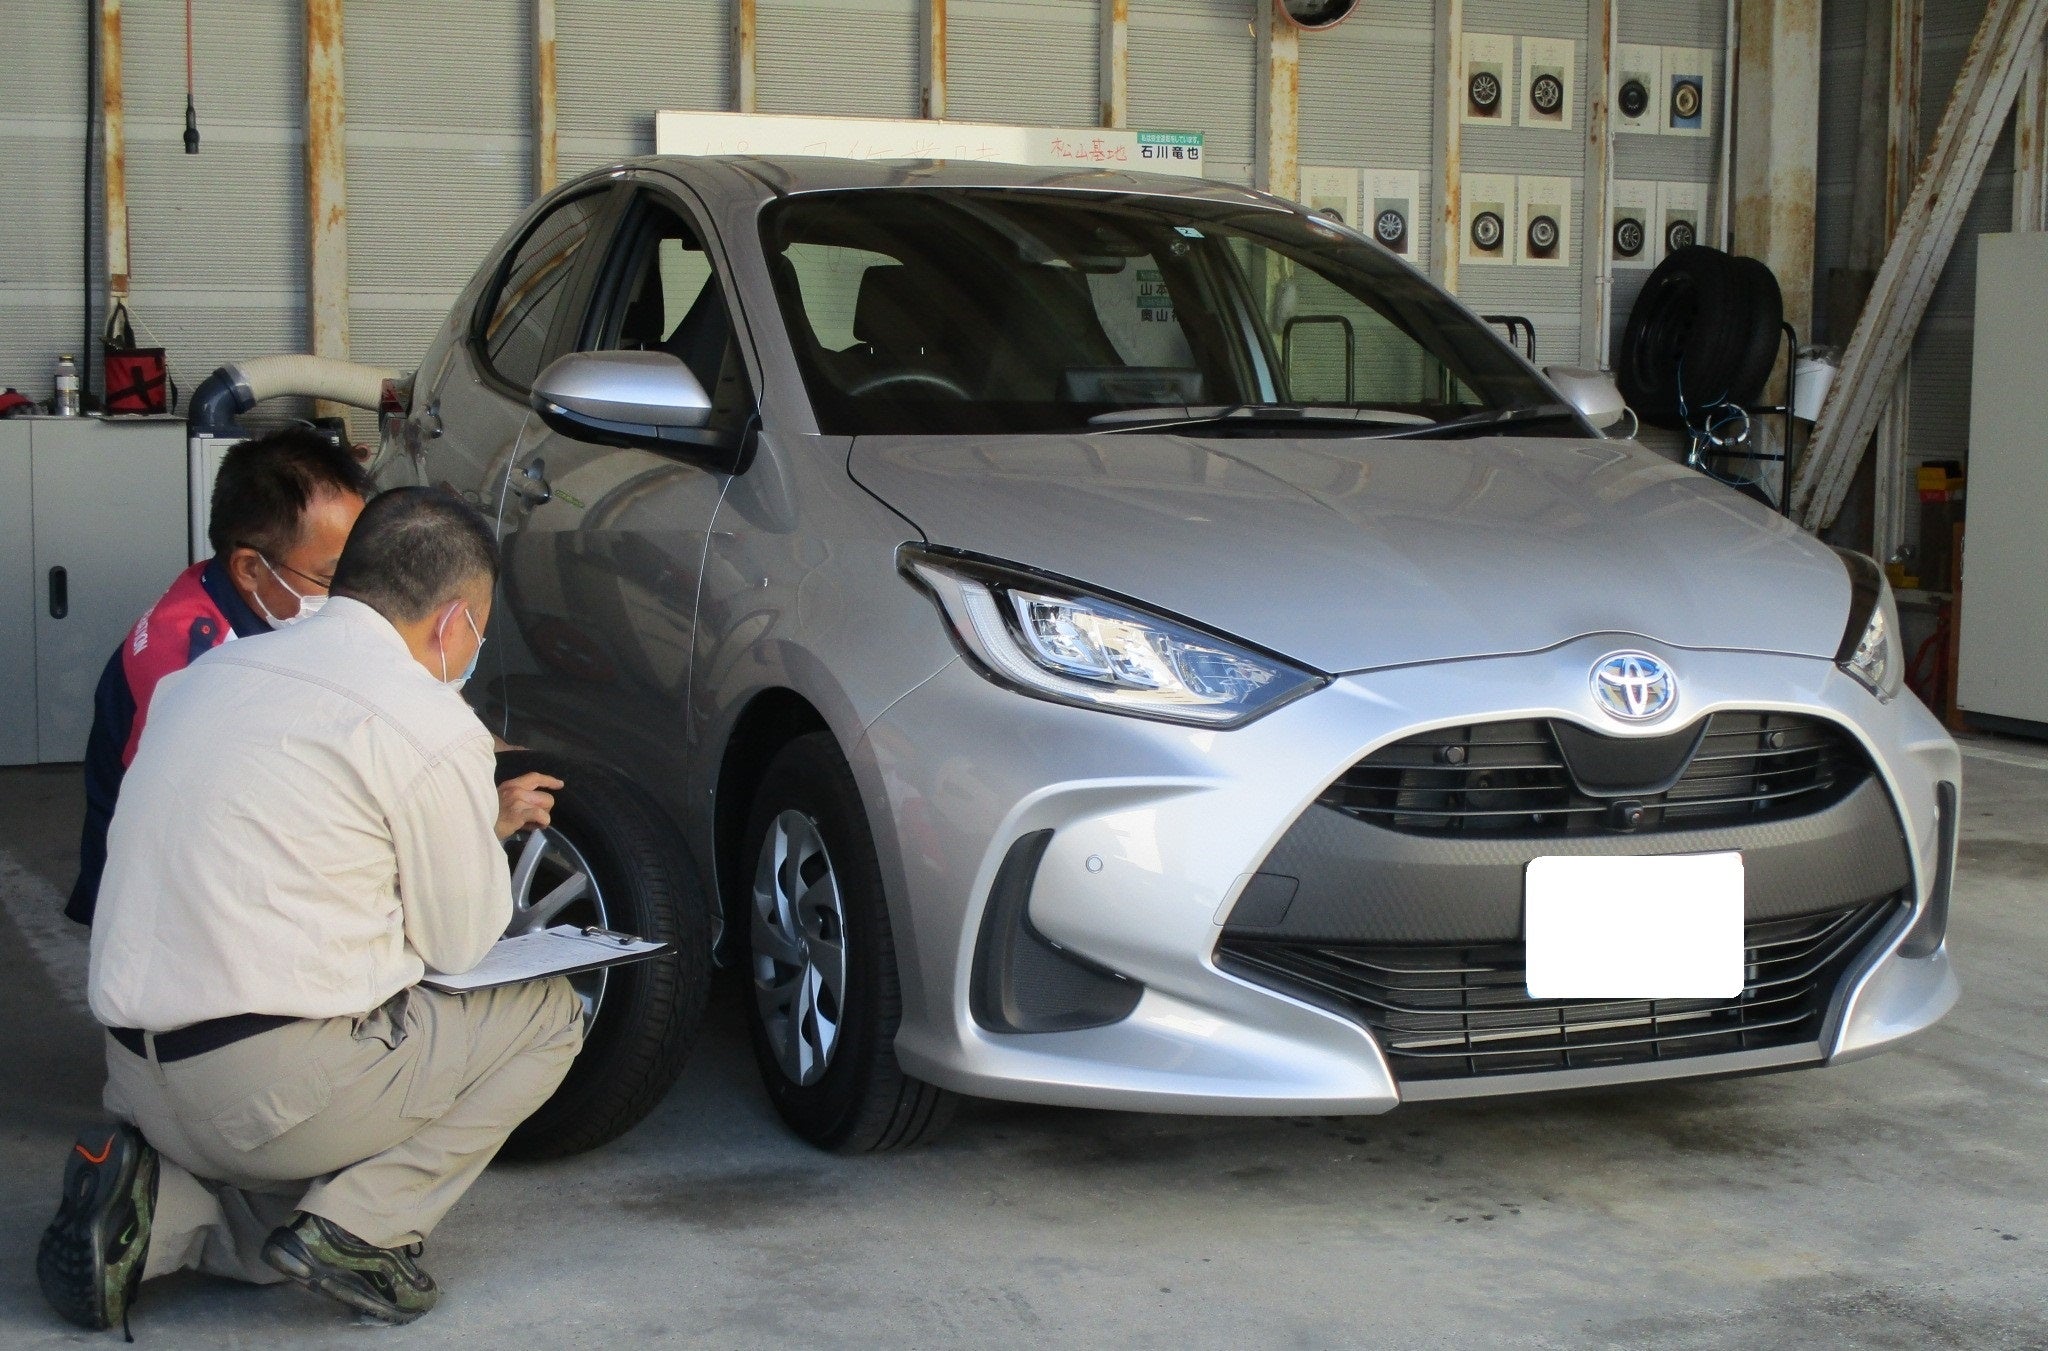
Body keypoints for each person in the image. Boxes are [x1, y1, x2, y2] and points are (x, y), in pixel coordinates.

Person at [38, 487, 578, 1331]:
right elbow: (460, 941)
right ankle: (365, 1231)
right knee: (548, 1010)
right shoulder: (428, 720)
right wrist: (479, 831)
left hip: (138, 1075)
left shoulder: (207, 675)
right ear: (456, 623)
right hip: (270, 1092)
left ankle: (158, 1215)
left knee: (287, 1212)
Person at [68, 426, 374, 926]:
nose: (351, 594)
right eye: (330, 578)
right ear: (250, 568)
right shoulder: (191, 668)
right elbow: (203, 825)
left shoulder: (230, 591)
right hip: (162, 893)